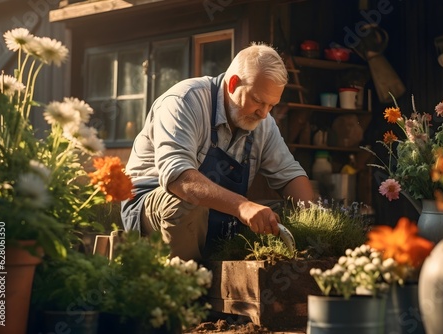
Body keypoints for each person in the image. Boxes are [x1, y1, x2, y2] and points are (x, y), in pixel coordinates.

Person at [121, 42, 314, 261]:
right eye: (258, 101)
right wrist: (242, 206)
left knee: (274, 215)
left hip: (217, 209)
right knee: (185, 204)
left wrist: (313, 219)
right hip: (152, 204)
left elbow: (290, 174)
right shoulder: (185, 101)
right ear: (233, 83)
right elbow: (178, 179)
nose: (263, 114)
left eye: (272, 106)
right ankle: (189, 287)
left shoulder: (263, 122)